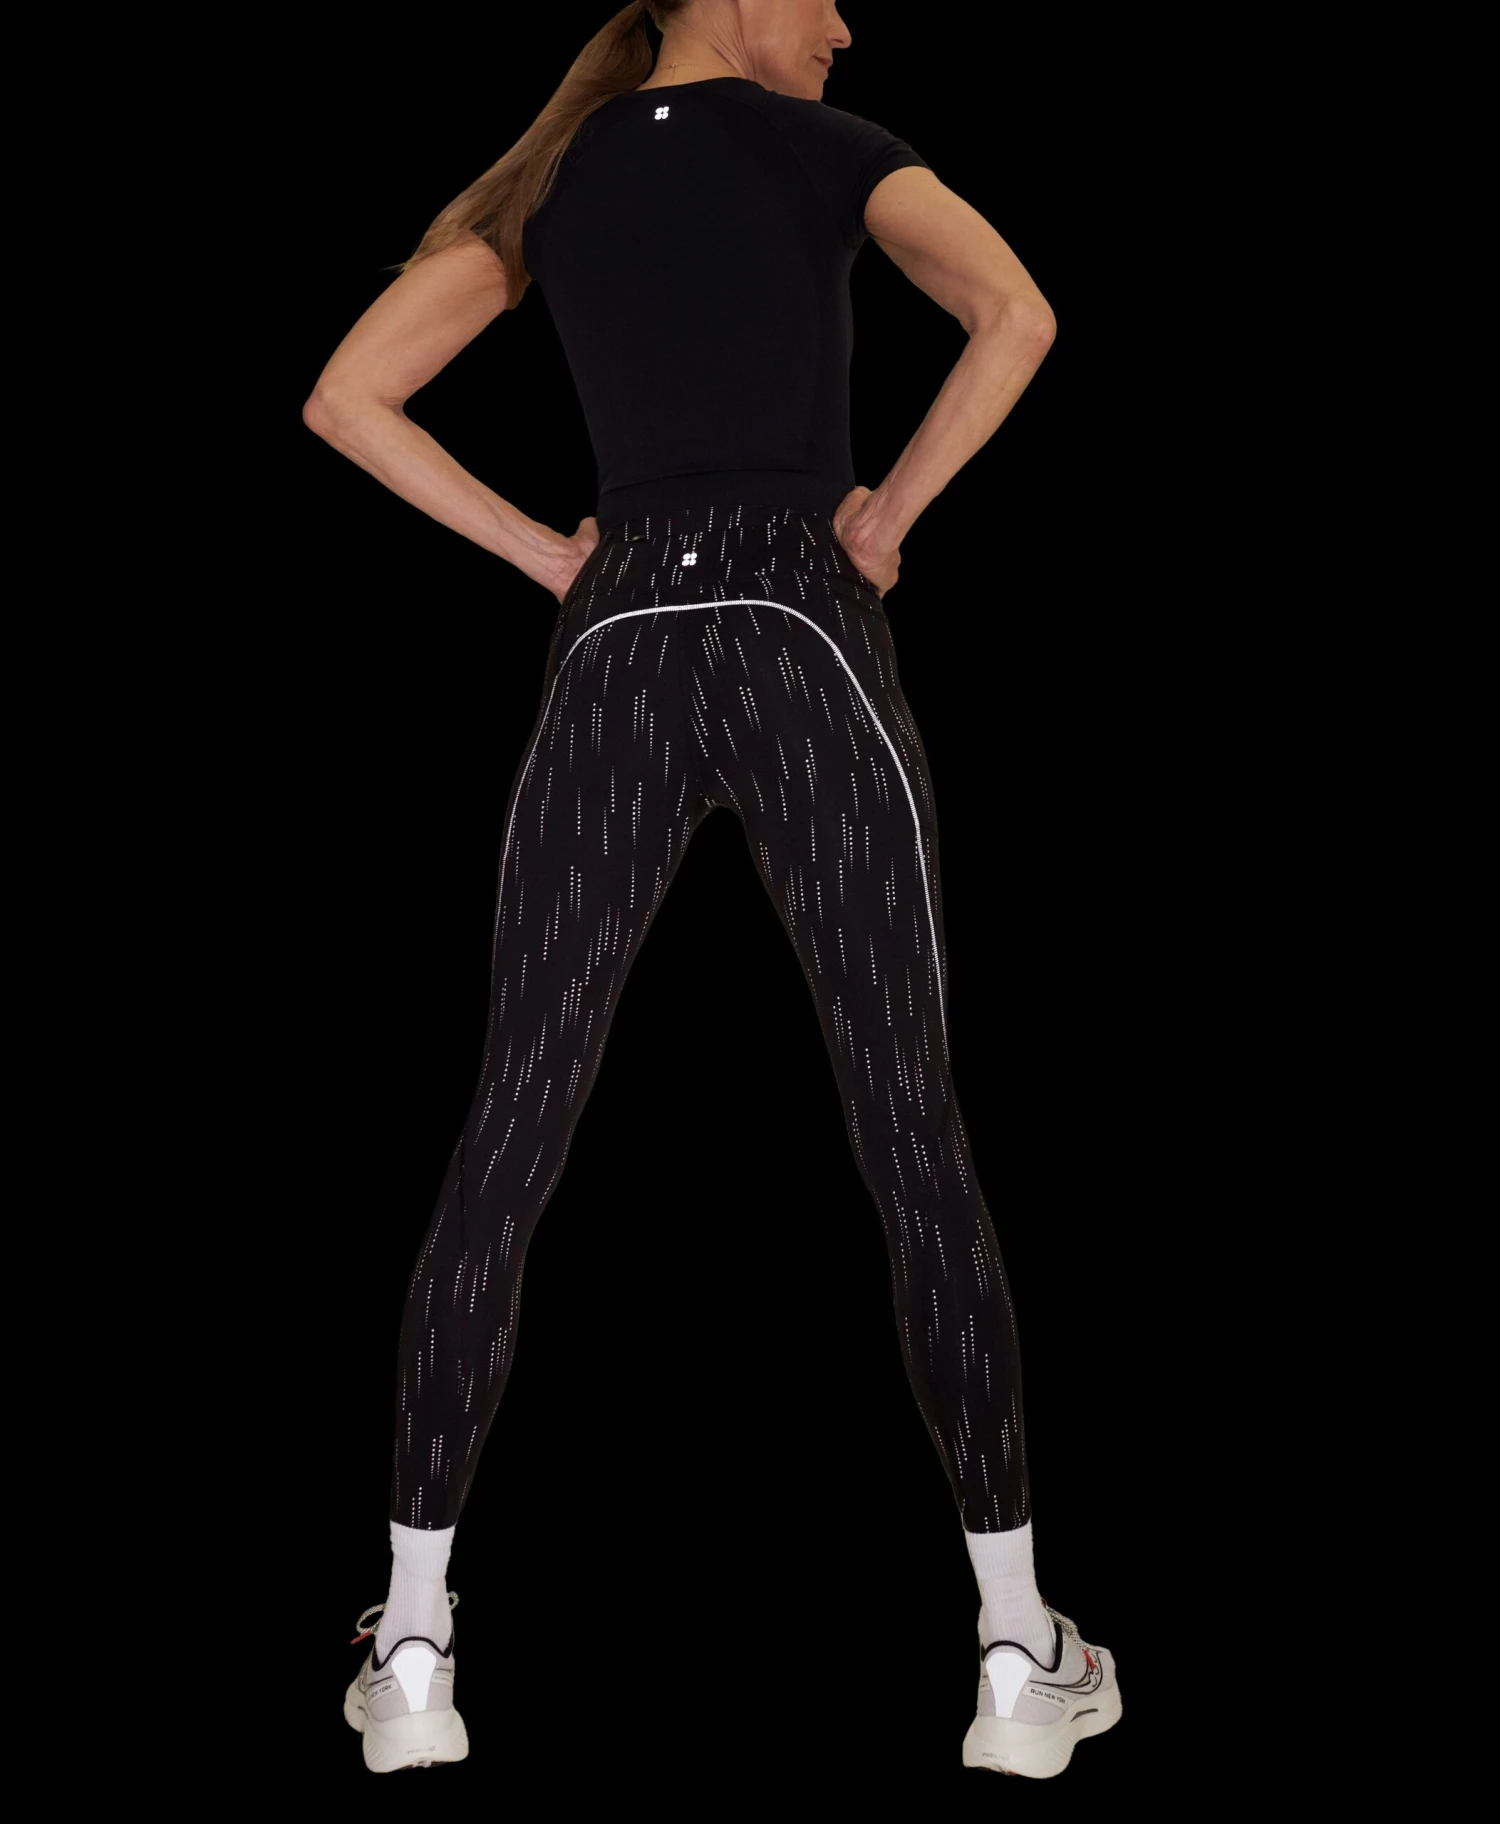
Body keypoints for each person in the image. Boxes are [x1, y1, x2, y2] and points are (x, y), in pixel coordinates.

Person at [305, 0, 1120, 1780]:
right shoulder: (825, 147)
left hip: (616, 643)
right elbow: (1017, 311)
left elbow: (343, 396)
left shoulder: (550, 181)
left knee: (513, 1123)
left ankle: (416, 1645)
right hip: (799, 623)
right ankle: (1016, 1649)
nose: (842, 25)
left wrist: (551, 556)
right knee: (907, 1121)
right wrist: (885, 518)